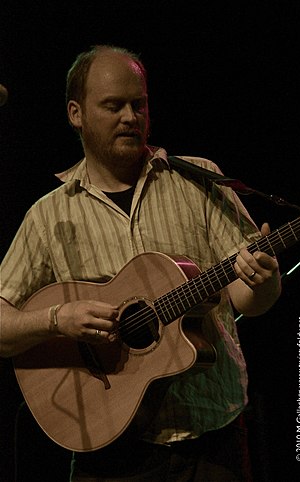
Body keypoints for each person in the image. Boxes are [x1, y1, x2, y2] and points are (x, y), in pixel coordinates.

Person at [0, 45, 281, 481]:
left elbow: (247, 298)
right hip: (111, 451)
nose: (131, 116)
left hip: (214, 440)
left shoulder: (198, 179)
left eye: (139, 104)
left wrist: (263, 282)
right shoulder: (48, 217)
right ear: (76, 114)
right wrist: (58, 319)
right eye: (114, 106)